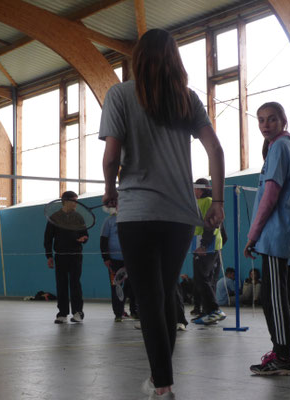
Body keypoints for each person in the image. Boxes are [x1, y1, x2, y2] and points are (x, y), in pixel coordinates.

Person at [100, 29, 225, 399]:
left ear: (139, 58)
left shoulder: (120, 94)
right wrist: (216, 202)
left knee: (151, 299)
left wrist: (110, 188)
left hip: (137, 214)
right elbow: (215, 149)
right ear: (174, 58)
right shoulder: (187, 99)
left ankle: (164, 384)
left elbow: (110, 158)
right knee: (166, 293)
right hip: (179, 216)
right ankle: (160, 380)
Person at [244, 102, 290, 376]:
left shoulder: (280, 147)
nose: (265, 124)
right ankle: (279, 353)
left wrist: (252, 235)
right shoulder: (282, 146)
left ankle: (283, 358)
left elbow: (269, 198)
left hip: (273, 236)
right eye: (260, 120)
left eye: (271, 119)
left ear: (283, 120)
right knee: (272, 298)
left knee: (275, 300)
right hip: (277, 236)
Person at [44, 191, 89, 324]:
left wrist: (84, 238)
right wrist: (49, 256)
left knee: (75, 284)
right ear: (66, 202)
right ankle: (62, 314)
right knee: (61, 285)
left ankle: (77, 313)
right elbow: (47, 239)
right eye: (74, 201)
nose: (76, 204)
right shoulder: (54, 217)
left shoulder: (79, 217)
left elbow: (85, 234)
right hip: (60, 256)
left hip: (76, 256)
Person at [191, 178, 227, 325]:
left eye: (194, 188)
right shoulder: (211, 203)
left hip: (205, 246)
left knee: (201, 279)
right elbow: (223, 232)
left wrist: (204, 245)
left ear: (200, 189)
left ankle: (214, 310)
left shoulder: (206, 202)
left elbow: (209, 225)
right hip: (213, 246)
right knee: (208, 279)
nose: (192, 191)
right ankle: (208, 313)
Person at [100, 206, 137, 322]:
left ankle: (135, 312)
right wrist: (106, 258)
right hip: (114, 260)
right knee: (116, 287)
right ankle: (118, 313)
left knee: (132, 286)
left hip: (130, 259)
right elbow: (103, 240)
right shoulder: (109, 221)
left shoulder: (132, 219)